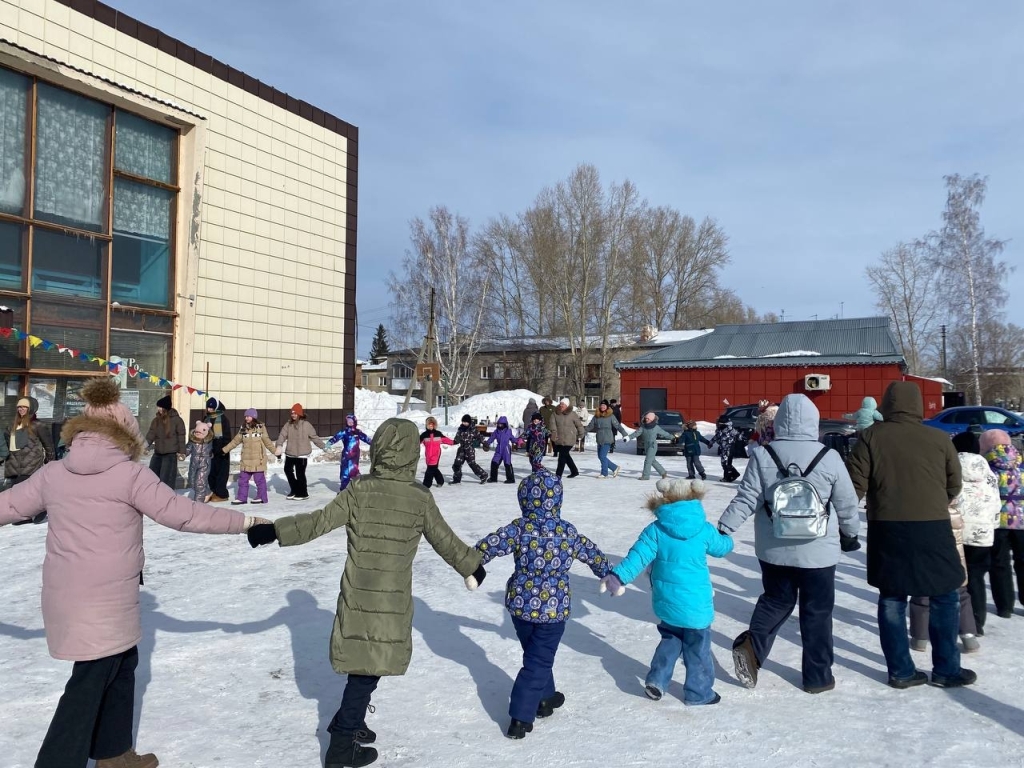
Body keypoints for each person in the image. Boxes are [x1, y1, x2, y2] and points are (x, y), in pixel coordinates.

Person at [0, 376, 265, 768]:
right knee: (89, 682)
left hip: (72, 597)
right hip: (104, 601)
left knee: (123, 666)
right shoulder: (129, 475)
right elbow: (183, 513)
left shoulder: (54, 473)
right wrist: (245, 523)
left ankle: (113, 753)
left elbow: (7, 505)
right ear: (125, 432)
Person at [245, 418, 485, 768]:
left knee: (367, 666)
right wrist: (471, 565)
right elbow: (444, 539)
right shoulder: (419, 497)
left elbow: (318, 521)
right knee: (368, 670)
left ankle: (350, 720)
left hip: (358, 595)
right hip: (390, 601)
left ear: (382, 449)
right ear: (412, 453)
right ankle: (342, 743)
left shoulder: (360, 489)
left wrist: (275, 531)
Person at [719, 394, 860, 694]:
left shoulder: (763, 455)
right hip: (818, 552)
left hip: (774, 549)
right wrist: (850, 534)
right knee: (817, 612)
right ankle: (818, 677)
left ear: (780, 421)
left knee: (775, 601)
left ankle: (753, 649)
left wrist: (725, 527)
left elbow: (747, 498)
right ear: (813, 421)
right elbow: (847, 502)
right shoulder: (829, 456)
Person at [846, 381, 975, 689]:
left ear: (887, 404)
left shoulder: (870, 437)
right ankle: (946, 669)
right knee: (945, 593)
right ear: (917, 405)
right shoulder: (939, 438)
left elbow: (854, 487)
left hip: (887, 526)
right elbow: (954, 483)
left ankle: (901, 671)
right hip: (933, 525)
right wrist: (933, 501)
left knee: (892, 596)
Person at [473, 470, 610, 739]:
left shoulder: (519, 527)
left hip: (521, 606)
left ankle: (545, 697)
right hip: (553, 609)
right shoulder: (567, 531)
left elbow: (492, 543)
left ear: (524, 499)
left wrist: (470, 562)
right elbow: (591, 552)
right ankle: (520, 716)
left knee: (536, 655)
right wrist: (608, 573)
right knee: (538, 660)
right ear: (557, 499)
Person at [601, 478, 733, 704]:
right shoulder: (704, 529)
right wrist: (727, 539)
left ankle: (657, 680)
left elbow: (637, 557)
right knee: (698, 649)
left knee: (671, 639)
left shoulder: (656, 530)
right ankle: (699, 693)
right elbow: (722, 548)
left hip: (667, 601)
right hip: (697, 604)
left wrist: (618, 577)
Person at [909, 432, 992, 654]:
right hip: (961, 534)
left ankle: (920, 637)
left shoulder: (930, 474)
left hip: (931, 531)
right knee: (960, 588)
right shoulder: (985, 472)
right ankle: (969, 636)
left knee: (923, 587)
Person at [951, 430, 1002, 635]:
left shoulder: (949, 468)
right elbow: (996, 503)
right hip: (983, 534)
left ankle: (956, 620)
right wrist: (992, 526)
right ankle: (977, 623)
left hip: (956, 532)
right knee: (976, 578)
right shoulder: (989, 473)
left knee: (953, 578)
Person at [980, 428, 1022, 619]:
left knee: (999, 563)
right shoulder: (1020, 463)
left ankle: (1005, 606)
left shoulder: (986, 467)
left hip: (996, 521)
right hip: (1022, 519)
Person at [3, 395, 54, 524]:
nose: (21, 409)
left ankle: (39, 512)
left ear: (31, 408)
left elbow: (48, 445)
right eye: (19, 406)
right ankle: (22, 516)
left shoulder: (38, 425)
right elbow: (7, 445)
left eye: (24, 407)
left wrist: (49, 461)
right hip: (13, 464)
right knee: (16, 493)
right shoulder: (12, 425)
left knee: (30, 493)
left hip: (31, 464)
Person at [221, 408, 277, 505]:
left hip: (258, 460)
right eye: (245, 416)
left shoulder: (260, 428)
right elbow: (235, 441)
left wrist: (275, 451)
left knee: (259, 480)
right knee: (242, 480)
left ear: (253, 417)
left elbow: (267, 441)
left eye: (248, 416)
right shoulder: (243, 428)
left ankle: (261, 497)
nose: (246, 418)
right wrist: (224, 450)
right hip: (246, 460)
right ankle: (241, 498)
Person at [274, 403, 327, 500]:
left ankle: (303, 493)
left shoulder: (306, 425)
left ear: (299, 414)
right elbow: (282, 435)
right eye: (292, 413)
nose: (293, 415)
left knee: (300, 474)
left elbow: (314, 437)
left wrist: (323, 446)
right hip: (290, 453)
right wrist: (279, 445)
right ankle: (295, 489)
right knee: (287, 470)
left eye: (295, 413)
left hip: (302, 454)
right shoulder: (288, 425)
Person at [144, 395, 186, 489]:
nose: (158, 409)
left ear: (165, 408)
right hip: (158, 453)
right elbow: (151, 434)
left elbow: (181, 437)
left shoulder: (177, 420)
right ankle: (153, 495)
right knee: (152, 476)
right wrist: (145, 446)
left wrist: (182, 452)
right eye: (158, 407)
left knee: (167, 479)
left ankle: (167, 496)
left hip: (170, 454)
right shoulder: (156, 420)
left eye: (160, 407)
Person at [326, 415, 372, 492]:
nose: (350, 423)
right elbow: (335, 438)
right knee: (345, 472)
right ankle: (343, 490)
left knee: (354, 471)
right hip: (346, 455)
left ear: (355, 422)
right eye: (348, 421)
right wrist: (328, 444)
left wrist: (373, 443)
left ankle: (355, 490)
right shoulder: (344, 432)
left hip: (355, 455)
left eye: (351, 421)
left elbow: (366, 438)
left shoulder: (358, 432)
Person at [626, 412, 674, 481]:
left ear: (652, 419)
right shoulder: (643, 427)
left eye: (648, 419)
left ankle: (645, 476)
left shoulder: (656, 427)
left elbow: (664, 433)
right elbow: (637, 433)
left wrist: (673, 438)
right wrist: (629, 437)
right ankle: (663, 472)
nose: (646, 420)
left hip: (652, 445)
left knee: (648, 460)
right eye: (646, 418)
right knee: (652, 460)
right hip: (646, 445)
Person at [586, 400, 628, 478]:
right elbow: (590, 426)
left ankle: (604, 473)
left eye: (604, 405)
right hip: (599, 438)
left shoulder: (611, 416)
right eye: (601, 405)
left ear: (607, 407)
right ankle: (615, 468)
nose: (602, 407)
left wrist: (625, 434)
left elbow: (618, 426)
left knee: (602, 456)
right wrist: (582, 432)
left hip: (608, 438)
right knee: (601, 456)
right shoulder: (596, 416)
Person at [204, 398, 232, 502]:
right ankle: (212, 491)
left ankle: (222, 494)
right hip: (209, 450)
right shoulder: (206, 419)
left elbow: (227, 437)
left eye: (212, 407)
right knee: (211, 473)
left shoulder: (223, 419)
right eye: (208, 407)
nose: (209, 409)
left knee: (221, 473)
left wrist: (223, 450)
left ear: (216, 407)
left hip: (221, 451)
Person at [550, 398, 584, 479]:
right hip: (559, 439)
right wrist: (554, 432)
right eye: (561, 403)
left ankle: (558, 475)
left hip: (569, 439)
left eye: (563, 404)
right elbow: (552, 423)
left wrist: (581, 434)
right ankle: (574, 471)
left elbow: (579, 425)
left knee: (562, 457)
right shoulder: (555, 413)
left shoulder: (572, 414)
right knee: (566, 456)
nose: (561, 405)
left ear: (567, 405)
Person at [451, 414, 488, 484]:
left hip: (469, 450)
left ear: (469, 422)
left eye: (466, 422)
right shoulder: (460, 429)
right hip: (461, 449)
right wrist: (456, 440)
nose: (464, 423)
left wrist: (485, 443)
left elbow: (480, 437)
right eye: (463, 422)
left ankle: (483, 475)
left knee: (472, 464)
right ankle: (457, 479)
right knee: (456, 464)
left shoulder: (473, 429)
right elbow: (457, 438)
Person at [483, 415, 519, 484]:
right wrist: (487, 443)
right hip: (499, 449)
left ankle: (511, 479)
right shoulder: (496, 432)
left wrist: (517, 441)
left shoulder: (508, 431)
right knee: (494, 462)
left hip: (506, 449)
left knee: (507, 463)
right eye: (499, 424)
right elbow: (491, 438)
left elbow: (512, 438)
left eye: (501, 424)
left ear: (505, 424)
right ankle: (493, 478)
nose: (500, 425)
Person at [183, 420, 213, 502]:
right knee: (191, 481)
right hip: (194, 463)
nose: (198, 434)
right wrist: (183, 454)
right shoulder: (193, 441)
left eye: (200, 432)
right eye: (196, 432)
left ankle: (198, 503)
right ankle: (207, 492)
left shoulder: (209, 441)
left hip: (205, 464)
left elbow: (215, 449)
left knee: (200, 482)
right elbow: (187, 449)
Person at [419, 416, 453, 488]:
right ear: (427, 425)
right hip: (428, 455)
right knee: (433, 468)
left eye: (432, 424)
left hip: (436, 454)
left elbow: (446, 440)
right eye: (429, 425)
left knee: (430, 470)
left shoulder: (438, 434)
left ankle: (426, 485)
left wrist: (454, 442)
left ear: (435, 425)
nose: (431, 426)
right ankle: (440, 481)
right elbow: (417, 442)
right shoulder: (424, 435)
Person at [709, 416, 740, 483]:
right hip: (723, 449)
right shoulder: (719, 430)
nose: (719, 425)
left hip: (729, 449)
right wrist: (711, 443)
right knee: (723, 463)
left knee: (727, 463)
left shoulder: (730, 430)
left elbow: (738, 435)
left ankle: (727, 477)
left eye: (720, 424)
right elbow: (716, 437)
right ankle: (735, 474)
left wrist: (743, 438)